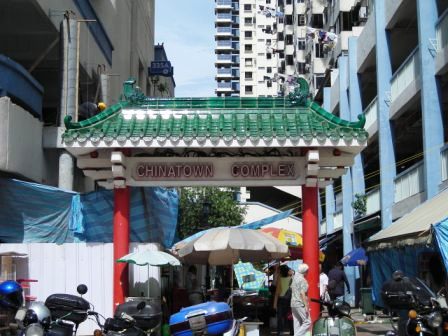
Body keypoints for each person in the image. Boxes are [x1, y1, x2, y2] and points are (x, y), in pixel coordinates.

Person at [381, 270, 417, 336]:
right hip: (400, 306)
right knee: (404, 318)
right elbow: (384, 294)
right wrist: (395, 295)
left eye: (399, 275)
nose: (398, 277)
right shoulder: (389, 284)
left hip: (408, 305)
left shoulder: (407, 282)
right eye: (397, 275)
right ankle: (404, 333)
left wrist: (418, 290)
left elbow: (415, 289)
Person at [291, 263, 311, 336]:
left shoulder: (294, 278)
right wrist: (306, 306)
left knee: (296, 323)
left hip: (293, 303)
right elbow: (302, 293)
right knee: (307, 322)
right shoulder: (302, 280)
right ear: (305, 271)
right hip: (300, 303)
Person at [273, 265, 292, 336]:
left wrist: (274, 304)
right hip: (289, 300)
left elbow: (277, 293)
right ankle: (292, 331)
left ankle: (280, 332)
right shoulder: (291, 278)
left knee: (280, 317)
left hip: (281, 300)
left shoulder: (279, 279)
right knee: (290, 316)